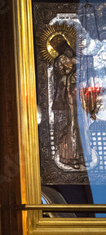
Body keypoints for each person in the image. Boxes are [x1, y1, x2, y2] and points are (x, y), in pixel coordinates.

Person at [50, 34, 85, 169]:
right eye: (63, 46)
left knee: (78, 125)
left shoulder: (71, 57)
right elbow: (62, 75)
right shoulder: (62, 59)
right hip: (67, 97)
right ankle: (70, 158)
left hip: (75, 96)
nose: (67, 48)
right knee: (71, 126)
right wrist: (74, 66)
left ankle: (80, 156)